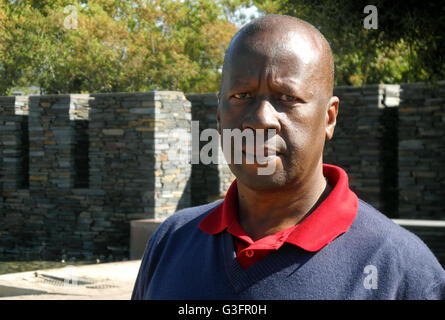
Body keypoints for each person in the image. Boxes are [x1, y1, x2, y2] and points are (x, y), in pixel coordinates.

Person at [131, 14, 445, 299]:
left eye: (287, 98)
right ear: (218, 114)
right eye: (241, 96)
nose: (261, 119)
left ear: (329, 117)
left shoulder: (402, 271)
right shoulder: (171, 243)